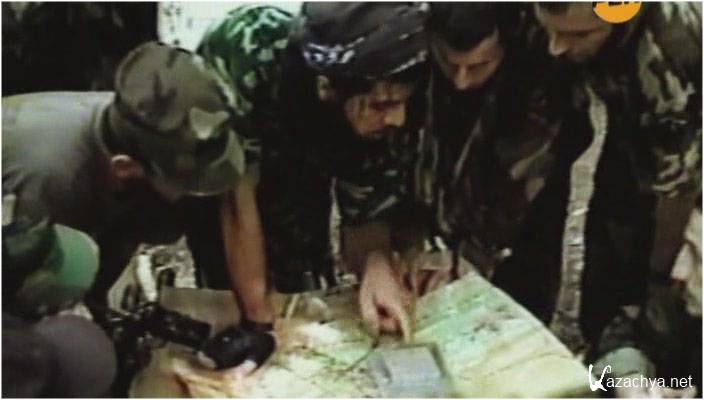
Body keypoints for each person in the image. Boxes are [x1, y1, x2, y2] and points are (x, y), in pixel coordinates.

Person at [2, 41, 272, 387]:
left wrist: (257, 322)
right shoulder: (47, 182)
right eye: (186, 184)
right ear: (125, 168)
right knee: (74, 357)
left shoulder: (152, 127)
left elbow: (230, 190)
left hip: (67, 223)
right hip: (16, 256)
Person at [196, 2, 430, 341]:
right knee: (232, 302)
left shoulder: (383, 111)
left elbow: (365, 213)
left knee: (302, 287)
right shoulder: (248, 53)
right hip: (227, 154)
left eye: (402, 102)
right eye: (383, 105)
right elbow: (235, 203)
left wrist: (376, 266)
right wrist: (259, 322)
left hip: (309, 154)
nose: (397, 118)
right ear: (328, 88)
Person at [527, 2, 701, 392]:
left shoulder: (670, 54)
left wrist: (655, 279)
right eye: (550, 30)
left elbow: (679, 187)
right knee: (602, 283)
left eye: (577, 35)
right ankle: (605, 372)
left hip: (684, 164)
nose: (555, 47)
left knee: (665, 307)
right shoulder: (594, 23)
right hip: (632, 128)